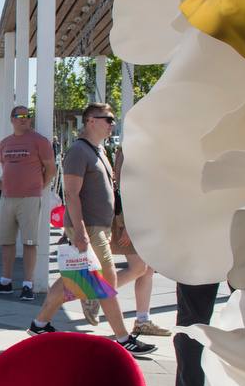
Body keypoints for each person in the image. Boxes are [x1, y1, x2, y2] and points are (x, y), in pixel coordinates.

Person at [27, 103, 155, 356]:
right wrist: (81, 231)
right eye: (107, 119)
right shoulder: (78, 151)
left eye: (113, 120)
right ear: (90, 121)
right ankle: (123, 338)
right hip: (89, 228)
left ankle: (39, 324)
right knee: (106, 281)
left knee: (71, 281)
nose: (112, 124)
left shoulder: (99, 151)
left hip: (100, 227)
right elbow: (71, 194)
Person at [0, 106, 54, 300]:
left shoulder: (39, 141)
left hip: (30, 198)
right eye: (20, 116)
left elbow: (51, 169)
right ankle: (5, 282)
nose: (24, 119)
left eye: (27, 116)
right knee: (6, 241)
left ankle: (28, 284)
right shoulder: (5, 143)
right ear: (11, 119)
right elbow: (6, 167)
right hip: (7, 198)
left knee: (29, 241)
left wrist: (38, 186)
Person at [103, 146, 171, 337]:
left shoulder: (144, 148)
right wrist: (127, 224)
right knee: (139, 268)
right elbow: (124, 189)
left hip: (146, 217)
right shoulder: (131, 149)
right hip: (133, 219)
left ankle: (142, 320)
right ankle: (96, 294)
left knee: (146, 270)